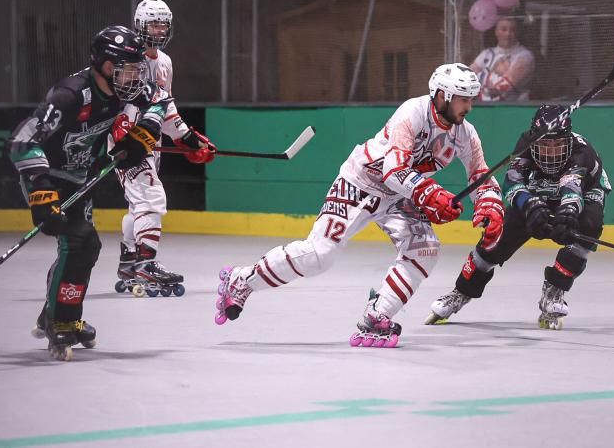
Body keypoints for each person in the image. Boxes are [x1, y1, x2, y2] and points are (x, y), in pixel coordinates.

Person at [213, 63, 505, 347]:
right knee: (320, 254)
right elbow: (393, 168)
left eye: (471, 100)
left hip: (398, 196)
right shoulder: (413, 113)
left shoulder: (465, 134)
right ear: (443, 96)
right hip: (361, 183)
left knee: (425, 249)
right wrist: (429, 194)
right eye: (464, 100)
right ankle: (242, 280)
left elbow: (480, 174)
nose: (468, 107)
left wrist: (490, 206)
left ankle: (377, 315)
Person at [8, 25, 165, 361]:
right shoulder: (71, 94)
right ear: (106, 66)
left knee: (86, 245)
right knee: (79, 240)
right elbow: (23, 140)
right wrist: (41, 192)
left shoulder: (127, 87)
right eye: (130, 67)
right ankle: (60, 320)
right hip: (48, 178)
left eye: (139, 67)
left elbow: (158, 100)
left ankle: (58, 312)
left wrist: (143, 135)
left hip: (81, 177)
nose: (137, 75)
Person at [425, 105, 611, 330]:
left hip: (585, 190)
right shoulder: (525, 144)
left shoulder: (583, 154)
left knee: (588, 228)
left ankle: (554, 290)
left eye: (557, 145)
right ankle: (460, 292)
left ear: (569, 141)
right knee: (494, 240)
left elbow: (572, 189)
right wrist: (529, 205)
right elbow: (512, 183)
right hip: (537, 189)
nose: (551, 153)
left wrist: (567, 212)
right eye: (544, 145)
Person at [114, 0, 216, 298]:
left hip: (151, 140)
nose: (158, 30)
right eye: (152, 24)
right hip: (127, 140)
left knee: (138, 203)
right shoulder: (127, 58)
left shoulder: (165, 63)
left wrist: (187, 137)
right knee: (150, 197)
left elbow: (163, 105)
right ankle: (146, 263)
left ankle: (128, 260)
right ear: (139, 25)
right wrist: (187, 138)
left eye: (163, 25)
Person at [470, 16, 535, 101]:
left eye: (513, 30)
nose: (508, 34)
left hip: (514, 109)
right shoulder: (487, 54)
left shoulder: (525, 56)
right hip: (485, 108)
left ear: (517, 33)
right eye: (504, 29)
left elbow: (502, 87)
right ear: (496, 32)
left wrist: (481, 76)